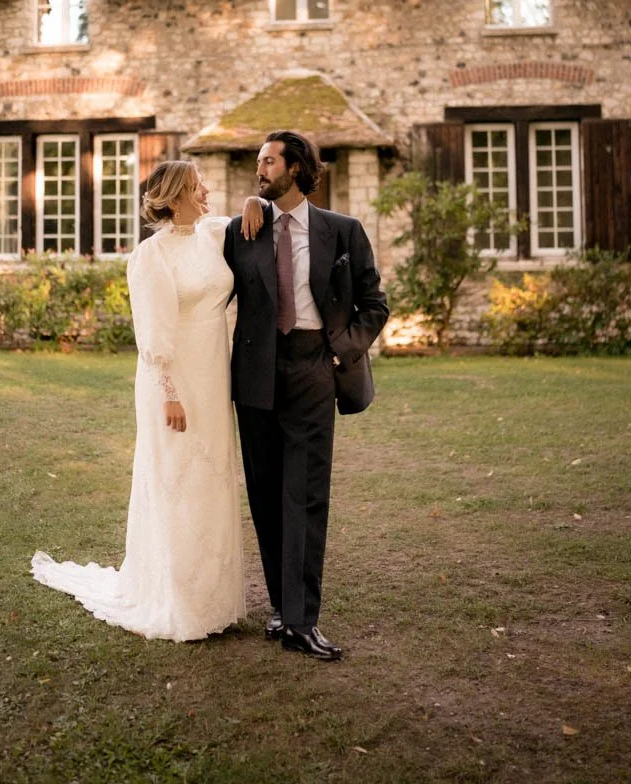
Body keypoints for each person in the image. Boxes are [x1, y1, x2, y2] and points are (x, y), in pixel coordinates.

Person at [32, 160, 259, 642]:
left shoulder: (213, 233)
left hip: (215, 373)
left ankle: (212, 599)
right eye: (199, 187)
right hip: (173, 380)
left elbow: (247, 217)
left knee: (212, 475)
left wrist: (255, 200)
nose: (207, 191)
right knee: (178, 476)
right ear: (175, 196)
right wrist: (170, 396)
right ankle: (178, 601)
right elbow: (153, 336)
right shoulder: (151, 256)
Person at [224, 131, 389, 661]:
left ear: (295, 168)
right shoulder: (241, 229)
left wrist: (342, 351)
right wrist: (253, 204)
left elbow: (373, 302)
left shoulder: (342, 231)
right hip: (255, 377)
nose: (260, 171)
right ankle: (280, 607)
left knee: (306, 495)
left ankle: (301, 620)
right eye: (257, 164)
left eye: (267, 163)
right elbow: (187, 238)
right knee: (267, 496)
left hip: (315, 369)